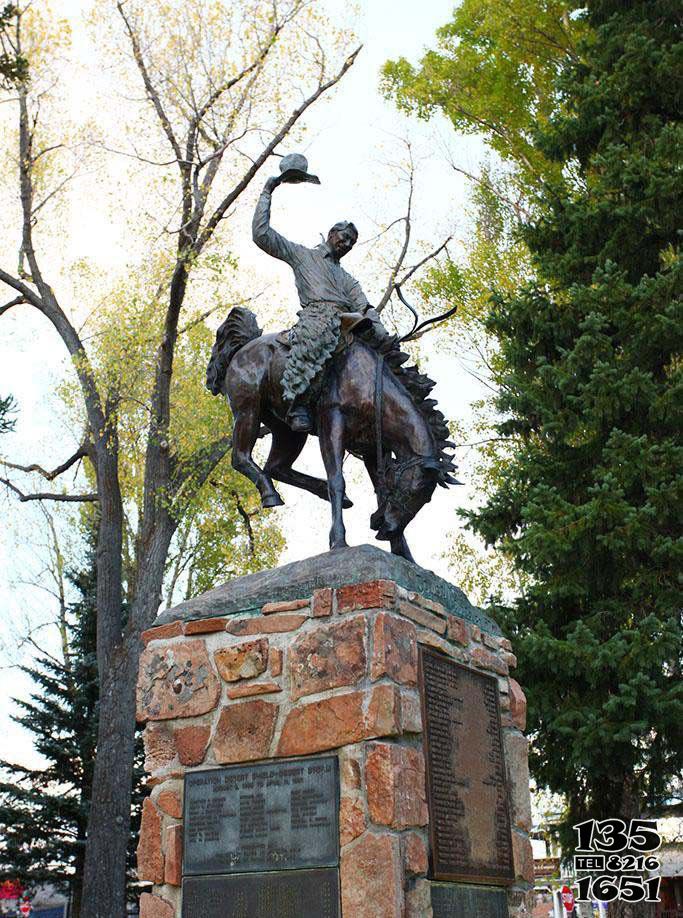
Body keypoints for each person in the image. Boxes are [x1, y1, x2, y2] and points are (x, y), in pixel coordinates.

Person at [252, 172, 381, 432]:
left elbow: (365, 305)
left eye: (351, 243)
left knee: (378, 354)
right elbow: (262, 235)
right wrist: (268, 191)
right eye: (343, 237)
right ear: (332, 233)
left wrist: (381, 332)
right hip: (317, 317)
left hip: (347, 322)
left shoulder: (347, 279)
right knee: (319, 333)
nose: (346, 244)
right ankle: (296, 401)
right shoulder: (303, 256)